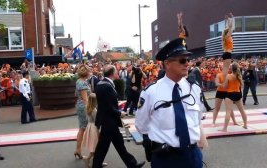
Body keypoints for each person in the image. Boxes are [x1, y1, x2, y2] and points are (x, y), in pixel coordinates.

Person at [136, 39, 208, 168]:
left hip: (192, 155)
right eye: (182, 60)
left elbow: (197, 119)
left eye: (188, 60)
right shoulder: (151, 92)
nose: (187, 64)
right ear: (167, 63)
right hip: (166, 158)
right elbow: (142, 126)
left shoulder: (194, 88)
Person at [92, 65, 145, 168]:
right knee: (104, 147)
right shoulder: (106, 86)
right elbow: (108, 106)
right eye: (116, 71)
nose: (118, 73)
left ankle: (132, 164)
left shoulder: (102, 84)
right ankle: (132, 164)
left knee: (116, 145)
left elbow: (106, 104)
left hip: (108, 121)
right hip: (109, 121)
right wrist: (120, 113)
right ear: (112, 73)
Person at [82, 93, 107, 168]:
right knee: (96, 146)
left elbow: (87, 119)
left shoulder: (87, 107)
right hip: (94, 128)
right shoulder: (94, 110)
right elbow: (97, 121)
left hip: (89, 126)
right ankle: (88, 158)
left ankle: (97, 161)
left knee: (94, 146)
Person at [220, 62, 248, 132]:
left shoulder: (228, 76)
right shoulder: (239, 75)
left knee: (228, 111)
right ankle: (245, 125)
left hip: (230, 94)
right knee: (242, 111)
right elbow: (240, 86)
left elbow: (225, 86)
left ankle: (225, 128)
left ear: (231, 69)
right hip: (238, 94)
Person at [74, 64, 91, 159]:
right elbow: (85, 99)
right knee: (83, 128)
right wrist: (90, 109)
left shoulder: (79, 81)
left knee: (82, 128)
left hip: (79, 105)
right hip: (84, 106)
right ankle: (79, 149)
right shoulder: (83, 83)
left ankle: (78, 150)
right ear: (86, 73)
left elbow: (76, 94)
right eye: (89, 71)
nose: (90, 72)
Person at [222, 12, 234, 79]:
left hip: (226, 53)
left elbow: (229, 27)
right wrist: (230, 18)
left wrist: (228, 19)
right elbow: (230, 27)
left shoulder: (228, 37)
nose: (230, 31)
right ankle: (224, 80)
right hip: (227, 53)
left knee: (226, 68)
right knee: (226, 68)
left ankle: (224, 80)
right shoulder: (227, 37)